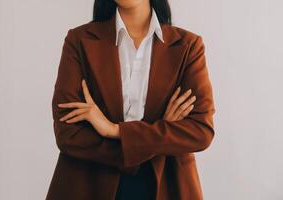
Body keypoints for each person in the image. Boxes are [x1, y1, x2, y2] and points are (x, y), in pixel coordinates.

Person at [46, 0, 216, 199]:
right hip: (87, 185)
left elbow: (200, 131)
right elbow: (68, 134)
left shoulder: (188, 46)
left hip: (167, 186)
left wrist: (114, 130)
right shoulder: (79, 40)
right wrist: (160, 132)